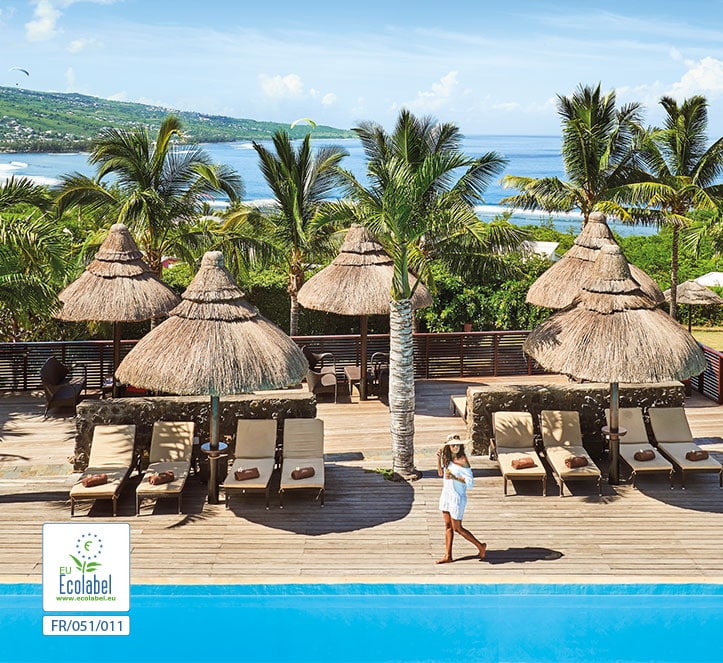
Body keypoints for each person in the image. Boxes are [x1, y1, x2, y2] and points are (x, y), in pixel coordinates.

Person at [435, 433, 487, 564]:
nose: (455, 447)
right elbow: (441, 473)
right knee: (447, 526)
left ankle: (480, 546)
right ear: (448, 447)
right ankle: (448, 556)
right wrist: (438, 459)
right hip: (446, 495)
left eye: (457, 445)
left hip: (457, 498)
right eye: (452, 445)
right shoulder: (447, 458)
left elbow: (470, 482)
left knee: (457, 528)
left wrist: (455, 477)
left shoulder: (463, 461)